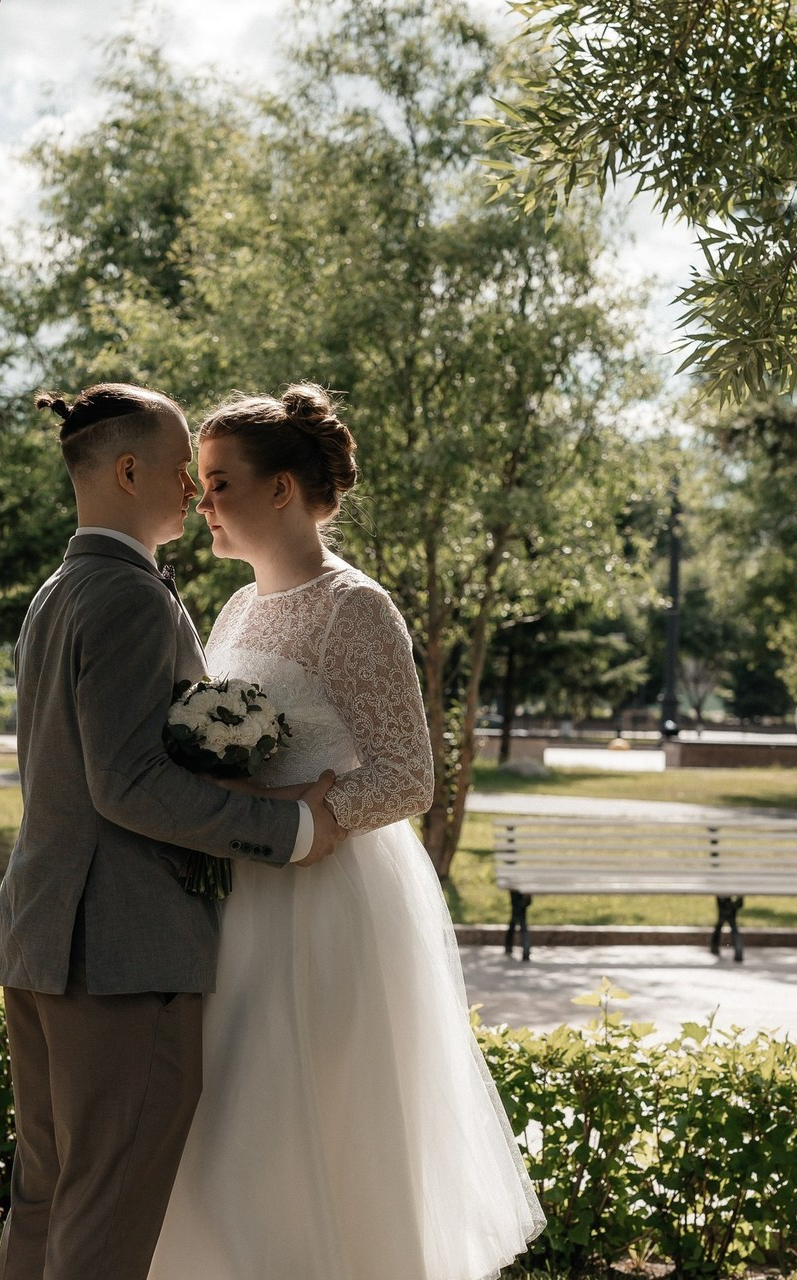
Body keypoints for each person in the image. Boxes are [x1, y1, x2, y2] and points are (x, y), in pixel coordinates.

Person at [148, 384, 546, 1280]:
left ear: (282, 488)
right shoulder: (237, 610)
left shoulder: (354, 608)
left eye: (216, 483)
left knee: (306, 1122)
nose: (198, 503)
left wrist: (305, 819)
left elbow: (410, 773)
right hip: (239, 892)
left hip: (327, 901)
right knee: (227, 1120)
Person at [0, 382, 345, 1280]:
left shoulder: (58, 590)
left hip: (42, 938)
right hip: (122, 953)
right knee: (105, 1214)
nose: (193, 488)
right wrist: (293, 830)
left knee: (48, 1197)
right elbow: (129, 785)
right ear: (128, 469)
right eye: (182, 467)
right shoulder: (130, 598)